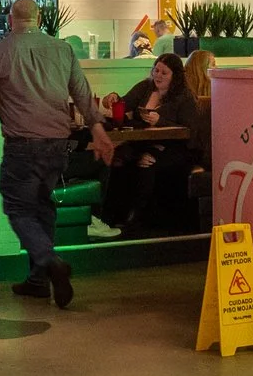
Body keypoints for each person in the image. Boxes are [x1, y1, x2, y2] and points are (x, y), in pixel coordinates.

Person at [0, 0, 95, 309]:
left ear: (11, 20)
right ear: (39, 19)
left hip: (23, 147)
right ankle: (38, 280)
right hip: (57, 145)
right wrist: (98, 128)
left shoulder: (0, 51)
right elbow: (82, 93)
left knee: (18, 208)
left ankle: (50, 261)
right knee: (42, 207)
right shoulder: (63, 49)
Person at [85, 54, 204, 239]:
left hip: (177, 149)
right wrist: (113, 98)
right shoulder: (145, 87)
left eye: (164, 72)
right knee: (118, 158)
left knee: (147, 164)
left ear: (175, 76)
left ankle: (136, 221)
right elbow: (123, 103)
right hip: (146, 143)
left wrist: (160, 121)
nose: (159, 75)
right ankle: (108, 218)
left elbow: (190, 131)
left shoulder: (184, 97)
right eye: (156, 70)